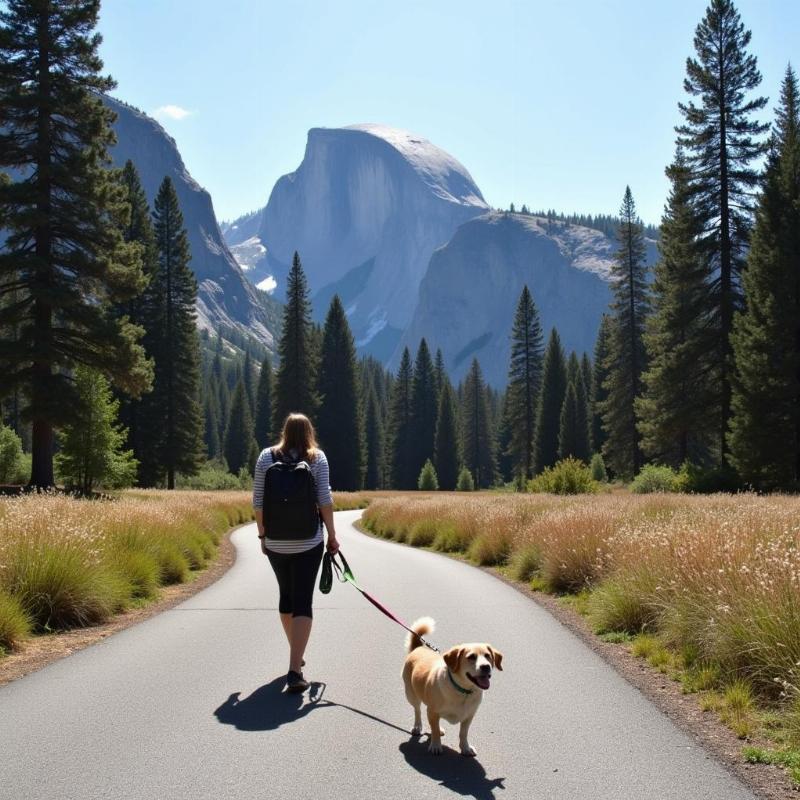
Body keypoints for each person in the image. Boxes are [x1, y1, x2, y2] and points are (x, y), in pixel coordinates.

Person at [252, 413, 339, 693]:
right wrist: (333, 537)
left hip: (276, 542)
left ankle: (295, 654)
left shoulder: (267, 456)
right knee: (303, 600)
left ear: (285, 432)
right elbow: (324, 499)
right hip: (308, 541)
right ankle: (294, 669)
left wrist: (263, 535)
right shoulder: (317, 458)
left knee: (286, 597)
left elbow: (257, 502)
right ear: (309, 433)